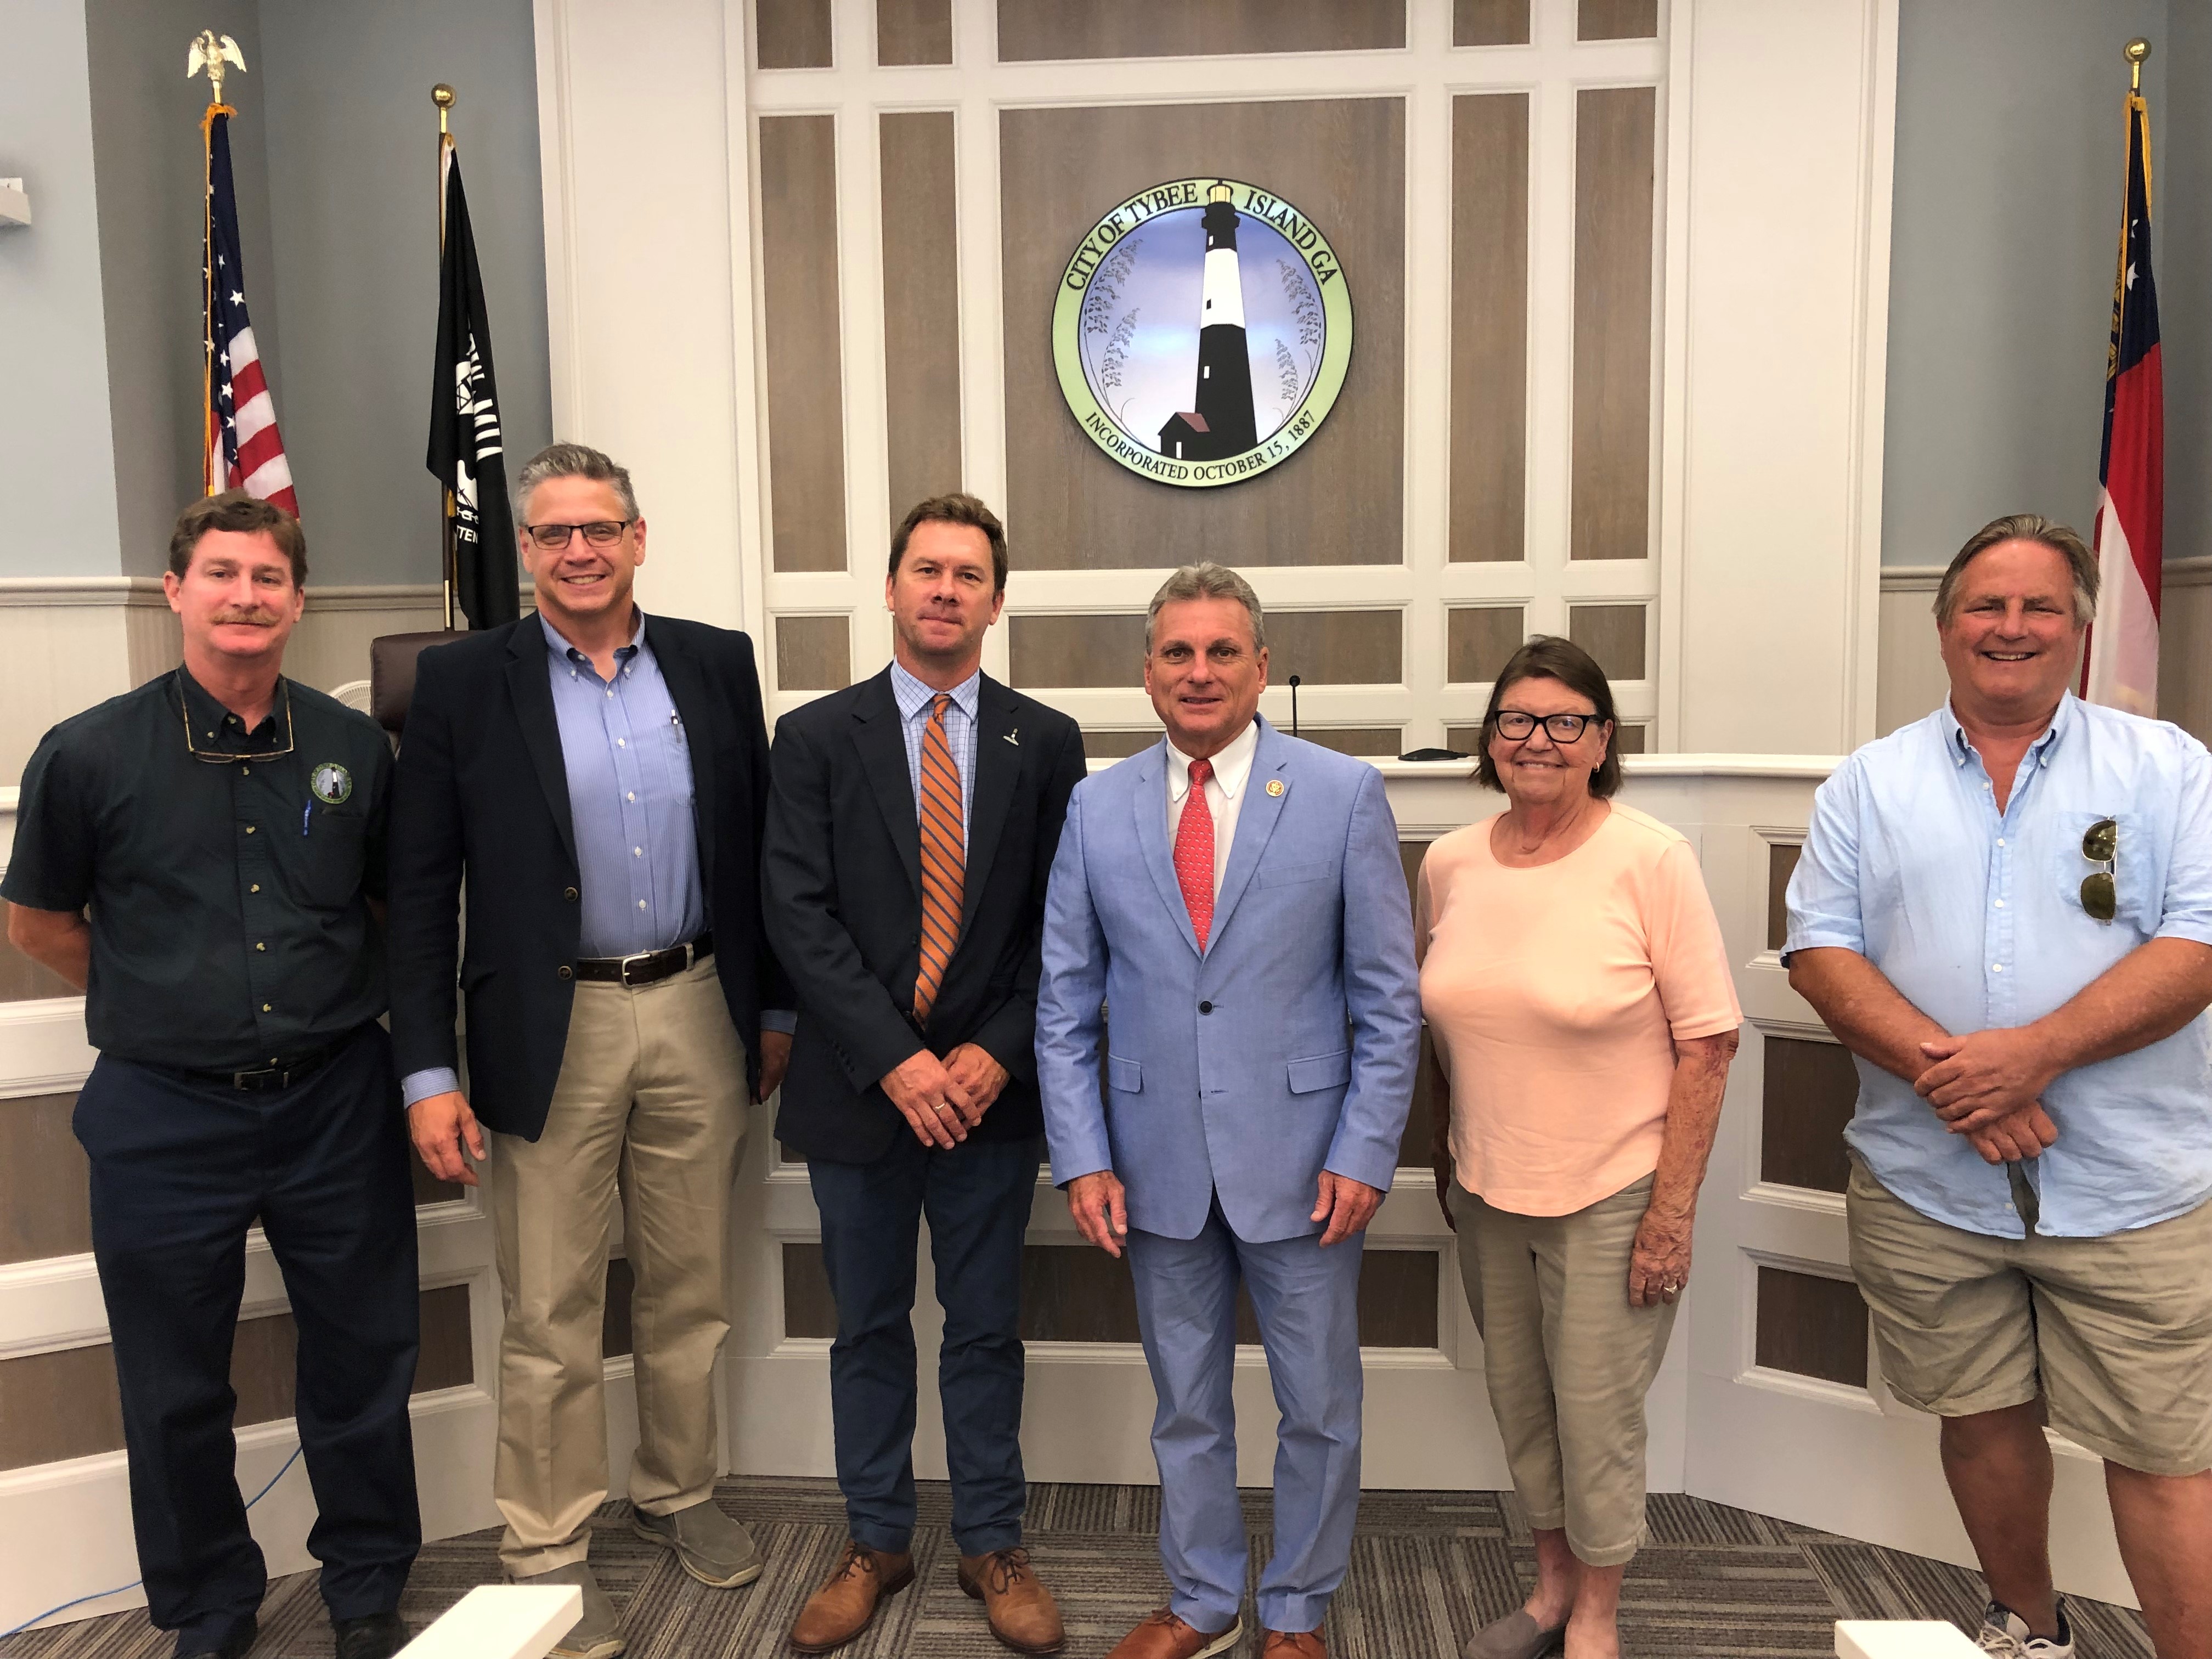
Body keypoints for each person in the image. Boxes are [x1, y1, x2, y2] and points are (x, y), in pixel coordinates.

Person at [386, 443, 795, 1659]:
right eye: (555, 533)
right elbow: (421, 891)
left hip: (698, 1004)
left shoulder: (715, 663)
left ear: (638, 537)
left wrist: (775, 1009)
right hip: (545, 1025)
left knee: (690, 1284)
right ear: (526, 549)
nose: (579, 551)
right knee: (552, 1302)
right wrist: (428, 1070)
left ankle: (679, 1488)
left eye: (600, 528)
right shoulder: (463, 682)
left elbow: (760, 852)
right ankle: (546, 1549)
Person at [1786, 514, 2212, 1659]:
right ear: (1943, 629)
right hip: (1929, 1182)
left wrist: (2036, 1055)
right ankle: (2031, 1625)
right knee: (1978, 1417)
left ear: (2079, 630)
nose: (2010, 627)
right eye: (1986, 605)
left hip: (2132, 1187)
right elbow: (1820, 952)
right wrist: (1966, 1081)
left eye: (2039, 608)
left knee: (2165, 1452)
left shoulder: (2170, 768)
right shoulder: (1869, 784)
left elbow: (2199, 947)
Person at [2, 492, 420, 1659]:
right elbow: (39, 923)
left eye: (268, 577)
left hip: (336, 1098)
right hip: (162, 1114)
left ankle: (367, 1587)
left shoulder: (352, 752)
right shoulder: (88, 752)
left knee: (364, 1356)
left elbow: (390, 908)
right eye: (223, 574)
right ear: (177, 591)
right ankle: (210, 1604)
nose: (246, 596)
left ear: (300, 600)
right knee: (174, 1382)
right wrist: (166, 995)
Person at [1035, 562, 1421, 1659]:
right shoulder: (1096, 805)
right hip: (1152, 1161)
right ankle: (1202, 1598)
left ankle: (1296, 1608)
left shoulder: (1342, 794)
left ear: (1261, 667)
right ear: (1147, 673)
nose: (1199, 672)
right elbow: (1065, 1000)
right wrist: (1083, 1158)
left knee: (1319, 1406)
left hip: (1306, 1165)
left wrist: (1365, 1152)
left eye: (1221, 652)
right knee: (1188, 1406)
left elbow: (1388, 1000)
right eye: (1178, 652)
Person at [763, 493, 1086, 1655]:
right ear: (892, 587)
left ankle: (992, 1541)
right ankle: (876, 1541)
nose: (946, 590)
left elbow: (1062, 921)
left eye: (969, 575)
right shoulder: (814, 737)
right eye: (928, 570)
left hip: (989, 1099)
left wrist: (994, 1051)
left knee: (986, 1328)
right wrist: (897, 1060)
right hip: (860, 1091)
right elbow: (796, 914)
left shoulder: (1045, 741)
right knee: (868, 1328)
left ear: (997, 602)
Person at [1415, 636, 1740, 1659]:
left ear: (1603, 742)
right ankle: (1552, 1589)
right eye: (1516, 719)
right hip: (1488, 1188)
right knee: (1523, 1404)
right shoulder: (1450, 863)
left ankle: (1598, 1612)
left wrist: (1672, 1215)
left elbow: (1709, 1044)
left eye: (1567, 722)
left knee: (1597, 1419)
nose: (1538, 740)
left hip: (1615, 1192)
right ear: (1490, 739)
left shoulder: (1651, 859)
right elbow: (1440, 1026)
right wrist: (1447, 1160)